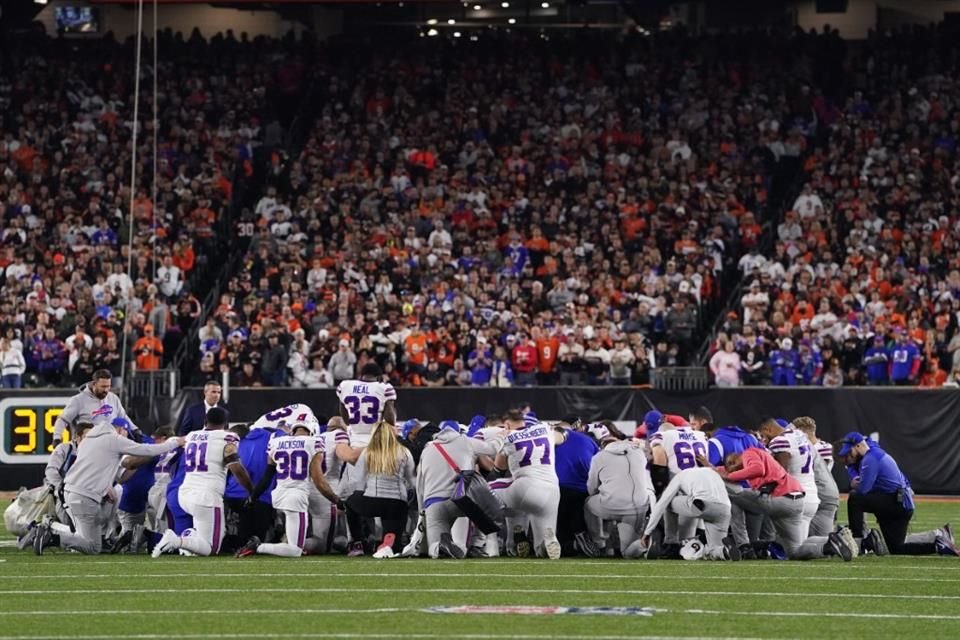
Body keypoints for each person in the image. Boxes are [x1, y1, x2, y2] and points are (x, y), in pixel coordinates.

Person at [32, 420, 183, 555]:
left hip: (74, 492)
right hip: (84, 495)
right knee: (92, 546)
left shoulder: (88, 440)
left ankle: (52, 531)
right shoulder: (112, 440)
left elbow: (116, 474)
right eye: (124, 431)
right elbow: (146, 450)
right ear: (119, 430)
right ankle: (51, 533)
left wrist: (109, 484)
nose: (126, 435)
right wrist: (174, 442)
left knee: (95, 532)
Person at [700, 447, 857, 562]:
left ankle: (743, 545)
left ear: (734, 460)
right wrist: (714, 469)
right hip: (796, 502)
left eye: (730, 466)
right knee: (795, 550)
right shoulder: (760, 457)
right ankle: (830, 544)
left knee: (735, 493)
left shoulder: (749, 453)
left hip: (779, 498)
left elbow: (757, 469)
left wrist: (725, 475)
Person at [153, 408, 255, 557]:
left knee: (205, 539)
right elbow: (236, 468)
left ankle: (188, 537)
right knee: (211, 548)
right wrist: (251, 490)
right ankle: (177, 540)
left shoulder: (191, 435)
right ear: (225, 424)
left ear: (205, 421)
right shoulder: (228, 437)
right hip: (207, 496)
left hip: (185, 493)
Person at [839, 432, 958, 556]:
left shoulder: (870, 459)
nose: (848, 455)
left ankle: (857, 542)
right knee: (896, 548)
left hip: (896, 503)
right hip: (900, 503)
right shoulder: (873, 451)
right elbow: (868, 444)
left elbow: (863, 490)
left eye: (850, 451)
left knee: (855, 498)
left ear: (858, 446)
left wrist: (853, 484)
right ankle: (938, 544)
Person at [236, 421, 341, 558]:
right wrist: (336, 499)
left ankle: (283, 543)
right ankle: (258, 546)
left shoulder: (276, 442)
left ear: (293, 431)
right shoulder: (313, 442)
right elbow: (319, 481)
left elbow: (267, 476)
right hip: (296, 496)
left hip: (280, 495)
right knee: (295, 550)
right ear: (312, 432)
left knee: (296, 543)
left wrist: (253, 496)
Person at [417, 421, 499, 559]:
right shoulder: (465, 441)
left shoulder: (427, 450)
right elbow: (492, 449)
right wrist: (500, 436)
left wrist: (422, 511)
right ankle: (476, 544)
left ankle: (440, 546)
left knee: (434, 548)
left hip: (433, 503)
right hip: (461, 500)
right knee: (484, 504)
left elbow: (420, 485)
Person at [491, 411, 562, 559]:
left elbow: (499, 467)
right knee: (542, 547)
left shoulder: (509, 436)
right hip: (552, 491)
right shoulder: (546, 429)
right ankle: (546, 542)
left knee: (485, 489)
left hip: (526, 485)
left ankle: (508, 541)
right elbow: (561, 437)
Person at [345, 421, 415, 557]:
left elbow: (357, 481)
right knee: (393, 546)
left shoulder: (368, 452)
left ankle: (358, 542)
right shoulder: (404, 452)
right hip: (396, 503)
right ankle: (390, 543)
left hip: (372, 502)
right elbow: (412, 482)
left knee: (349, 502)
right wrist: (408, 501)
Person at [641, 467, 738, 561]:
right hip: (724, 510)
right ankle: (724, 552)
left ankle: (671, 544)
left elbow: (661, 504)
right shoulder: (711, 472)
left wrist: (647, 532)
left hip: (701, 504)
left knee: (668, 502)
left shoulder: (679, 476)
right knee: (714, 548)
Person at [583, 425, 649, 558]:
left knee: (588, 503)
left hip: (611, 506)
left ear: (602, 446)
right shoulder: (638, 453)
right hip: (638, 507)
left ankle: (599, 543)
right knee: (627, 553)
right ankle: (644, 544)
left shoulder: (599, 457)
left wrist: (604, 489)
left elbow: (591, 489)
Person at [758, 418, 820, 534]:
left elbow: (781, 473)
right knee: (798, 546)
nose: (763, 439)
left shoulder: (780, 441)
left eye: (763, 435)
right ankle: (828, 544)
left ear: (767, 429)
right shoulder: (800, 435)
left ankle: (828, 544)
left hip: (794, 497)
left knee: (792, 547)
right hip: (811, 497)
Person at [53, 369, 140, 445]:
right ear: (94, 384)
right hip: (86, 447)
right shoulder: (78, 400)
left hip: (110, 446)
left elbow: (123, 416)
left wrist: (135, 429)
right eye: (103, 387)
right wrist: (57, 438)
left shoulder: (113, 398)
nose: (106, 390)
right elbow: (63, 420)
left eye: (108, 386)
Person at [553, 423, 600, 557]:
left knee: (561, 525)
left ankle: (572, 545)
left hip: (558, 486)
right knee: (576, 513)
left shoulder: (552, 440)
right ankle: (579, 537)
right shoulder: (588, 440)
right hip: (583, 488)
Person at [792, 417, 839, 536]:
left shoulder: (823, 447)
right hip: (814, 491)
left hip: (820, 490)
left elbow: (819, 471)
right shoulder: (805, 448)